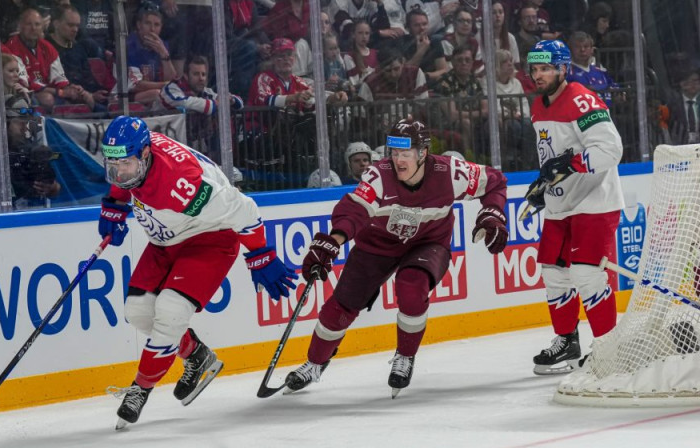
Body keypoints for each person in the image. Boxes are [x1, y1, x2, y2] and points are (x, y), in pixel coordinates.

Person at [284, 116, 508, 397]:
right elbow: (355, 209)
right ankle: (314, 363)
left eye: (406, 153)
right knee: (340, 307)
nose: (398, 160)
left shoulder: (451, 173)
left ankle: (405, 356)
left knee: (411, 286)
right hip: (376, 245)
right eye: (394, 153)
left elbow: (496, 183)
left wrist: (493, 213)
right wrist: (333, 240)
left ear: (423, 152)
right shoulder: (378, 174)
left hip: (428, 244)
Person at [99, 116, 298, 428]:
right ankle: (197, 355)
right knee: (138, 313)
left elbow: (243, 208)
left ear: (146, 155)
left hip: (210, 238)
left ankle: (140, 388)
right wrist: (114, 203)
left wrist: (261, 254)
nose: (120, 172)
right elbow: (126, 176)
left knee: (170, 311)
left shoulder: (183, 184)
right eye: (114, 165)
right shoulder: (136, 149)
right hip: (166, 239)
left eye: (125, 164)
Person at [525, 39, 624, 375]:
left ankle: (608, 349)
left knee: (586, 274)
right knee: (553, 274)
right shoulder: (538, 106)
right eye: (535, 69)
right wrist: (543, 184)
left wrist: (570, 164)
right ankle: (567, 342)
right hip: (560, 204)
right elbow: (550, 155)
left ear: (563, 69)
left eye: (546, 68)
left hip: (595, 202)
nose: (538, 75)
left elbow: (611, 150)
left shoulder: (582, 98)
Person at [160, 55, 245, 163]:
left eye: (203, 74)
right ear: (186, 75)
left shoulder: (206, 92)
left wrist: (230, 100)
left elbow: (240, 104)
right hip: (166, 148)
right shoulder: (171, 88)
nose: (201, 78)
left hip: (192, 147)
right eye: (196, 74)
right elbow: (183, 101)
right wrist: (214, 104)